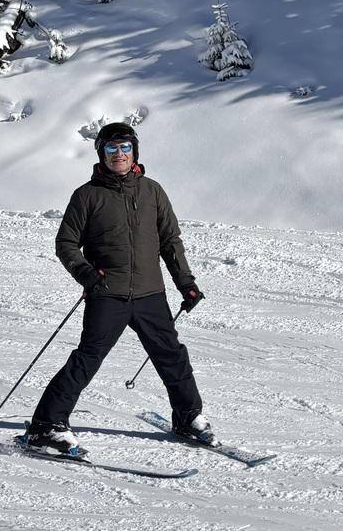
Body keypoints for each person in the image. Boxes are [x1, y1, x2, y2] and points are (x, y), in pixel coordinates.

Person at [25, 121, 212, 454]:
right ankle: (46, 426)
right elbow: (66, 243)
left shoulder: (152, 191)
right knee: (87, 359)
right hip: (107, 294)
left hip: (150, 294)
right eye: (111, 148)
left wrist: (186, 283)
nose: (119, 155)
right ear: (102, 153)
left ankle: (188, 417)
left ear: (134, 151)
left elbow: (170, 241)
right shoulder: (87, 196)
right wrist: (87, 275)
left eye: (125, 147)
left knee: (172, 357)